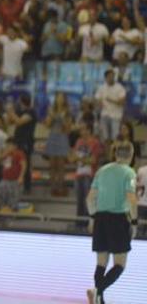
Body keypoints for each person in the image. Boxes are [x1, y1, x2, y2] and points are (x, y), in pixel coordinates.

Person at [86, 143, 137, 304]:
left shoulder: (102, 170)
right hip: (118, 219)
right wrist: (134, 222)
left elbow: (89, 198)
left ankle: (98, 300)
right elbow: (132, 198)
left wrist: (93, 217)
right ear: (130, 155)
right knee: (120, 264)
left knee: (101, 262)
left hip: (100, 218)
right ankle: (98, 291)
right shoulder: (129, 173)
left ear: (115, 154)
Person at [6, 94, 36, 194]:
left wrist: (11, 112)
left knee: (25, 162)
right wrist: (9, 114)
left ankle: (27, 186)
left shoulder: (31, 112)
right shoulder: (19, 112)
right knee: (15, 161)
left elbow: (19, 122)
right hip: (17, 140)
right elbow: (10, 122)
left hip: (26, 141)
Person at [45, 92, 73, 197]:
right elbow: (47, 125)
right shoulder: (51, 110)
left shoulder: (68, 112)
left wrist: (61, 118)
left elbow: (68, 128)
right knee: (52, 165)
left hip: (62, 137)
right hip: (53, 136)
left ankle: (61, 187)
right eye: (58, 98)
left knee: (61, 165)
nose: (59, 100)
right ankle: (53, 187)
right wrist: (51, 116)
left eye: (62, 98)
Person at [73, 122, 103, 220]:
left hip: (89, 175)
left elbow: (93, 160)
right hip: (79, 174)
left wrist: (80, 159)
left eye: (83, 129)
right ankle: (79, 222)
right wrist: (81, 159)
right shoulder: (78, 142)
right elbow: (73, 157)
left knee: (88, 200)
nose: (81, 132)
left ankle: (88, 221)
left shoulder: (95, 143)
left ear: (89, 130)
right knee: (79, 200)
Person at [95, 70, 127, 144]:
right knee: (105, 138)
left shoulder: (120, 88)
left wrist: (111, 100)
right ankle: (107, 154)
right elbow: (97, 98)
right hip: (104, 114)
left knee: (115, 137)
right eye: (109, 76)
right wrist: (99, 103)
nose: (111, 78)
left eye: (112, 76)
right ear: (106, 78)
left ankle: (114, 154)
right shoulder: (101, 88)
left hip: (116, 115)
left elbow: (122, 102)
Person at [0, 139, 25, 211]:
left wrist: (21, 176)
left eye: (9, 145)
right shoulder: (6, 154)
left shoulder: (19, 153)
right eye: (7, 146)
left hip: (15, 179)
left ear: (15, 146)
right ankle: (3, 208)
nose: (7, 147)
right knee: (1, 194)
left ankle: (13, 209)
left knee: (14, 196)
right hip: (5, 179)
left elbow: (24, 165)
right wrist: (4, 154)